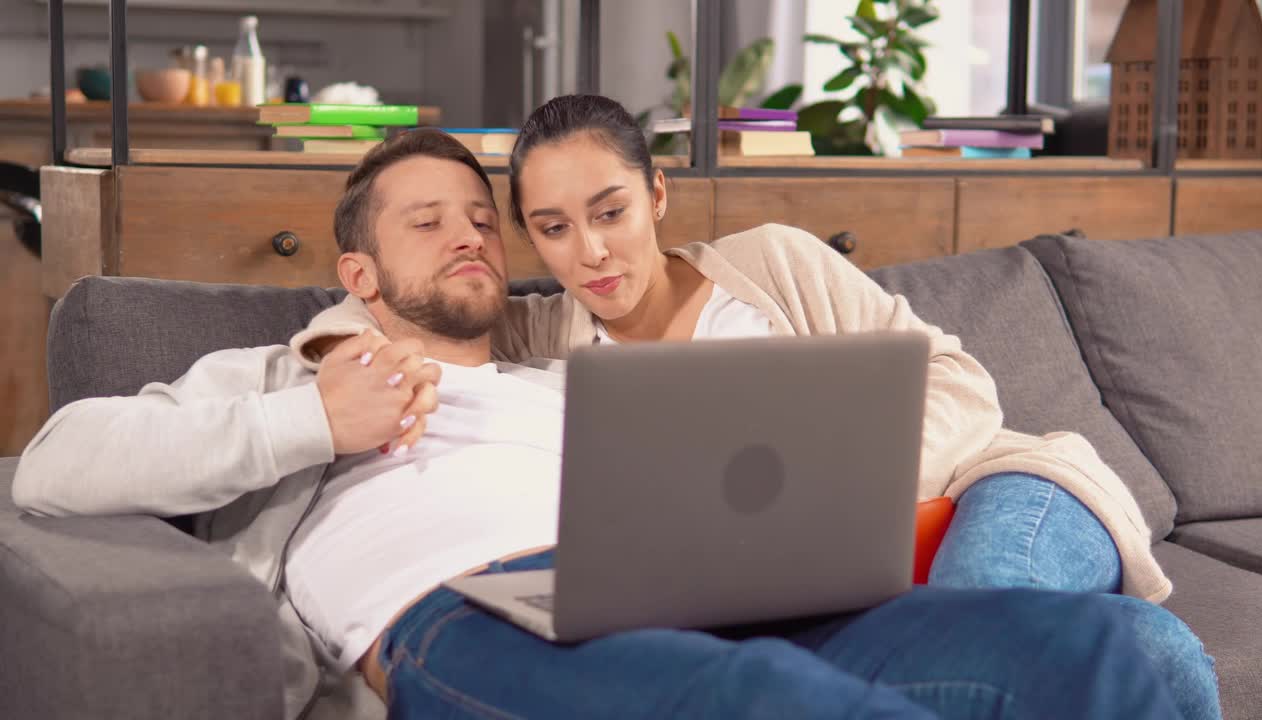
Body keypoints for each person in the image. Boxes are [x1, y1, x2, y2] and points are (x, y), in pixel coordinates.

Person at [14, 130, 1184, 720]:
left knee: (1117, 650)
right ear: (357, 274)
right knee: (767, 707)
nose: (469, 235)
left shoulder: (569, 370)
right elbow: (53, 467)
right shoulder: (279, 378)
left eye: (482, 218)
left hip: (694, 599)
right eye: (427, 222)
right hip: (461, 612)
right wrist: (306, 421)